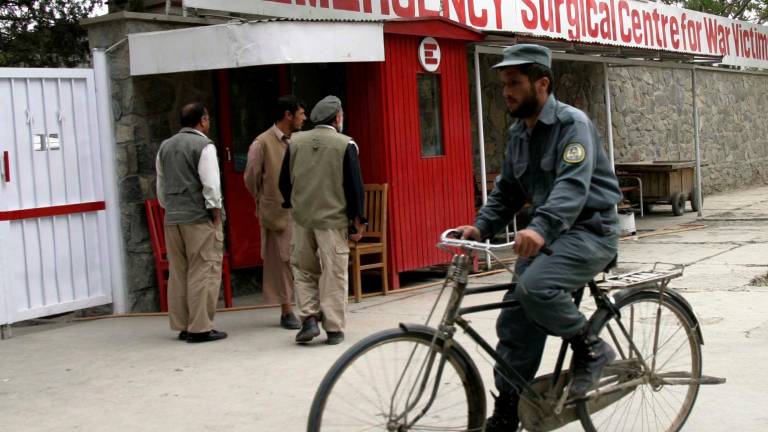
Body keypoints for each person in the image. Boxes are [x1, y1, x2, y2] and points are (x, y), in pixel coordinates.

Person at [453, 44, 622, 430]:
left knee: (535, 289)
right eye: (503, 85)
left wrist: (539, 228)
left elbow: (571, 188)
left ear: (541, 83)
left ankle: (592, 349)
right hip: (549, 237)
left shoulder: (572, 125)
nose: (506, 92)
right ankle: (509, 409)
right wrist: (480, 226)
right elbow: (508, 192)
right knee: (514, 322)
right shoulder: (519, 133)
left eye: (514, 83)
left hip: (590, 231)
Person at [279, 95, 365, 345]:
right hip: (333, 220)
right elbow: (354, 186)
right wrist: (358, 219)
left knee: (303, 269)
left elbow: (284, 182)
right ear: (337, 117)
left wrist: (293, 204)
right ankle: (334, 328)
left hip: (303, 218)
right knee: (334, 272)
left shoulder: (295, 142)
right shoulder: (346, 144)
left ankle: (308, 319)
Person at [156, 102, 228, 344]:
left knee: (179, 272)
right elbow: (211, 184)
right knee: (204, 270)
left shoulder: (165, 146)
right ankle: (200, 327)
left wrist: (170, 208)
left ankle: (183, 325)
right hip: (198, 218)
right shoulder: (204, 146)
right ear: (203, 120)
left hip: (173, 217)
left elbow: (161, 185)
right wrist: (216, 212)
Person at [244, 95, 307, 330]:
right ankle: (287, 309)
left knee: (301, 258)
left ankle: (306, 306)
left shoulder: (299, 140)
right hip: (277, 212)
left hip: (302, 210)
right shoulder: (262, 143)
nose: (304, 119)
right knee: (281, 260)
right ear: (288, 115)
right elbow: (251, 178)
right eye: (301, 114)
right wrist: (265, 199)